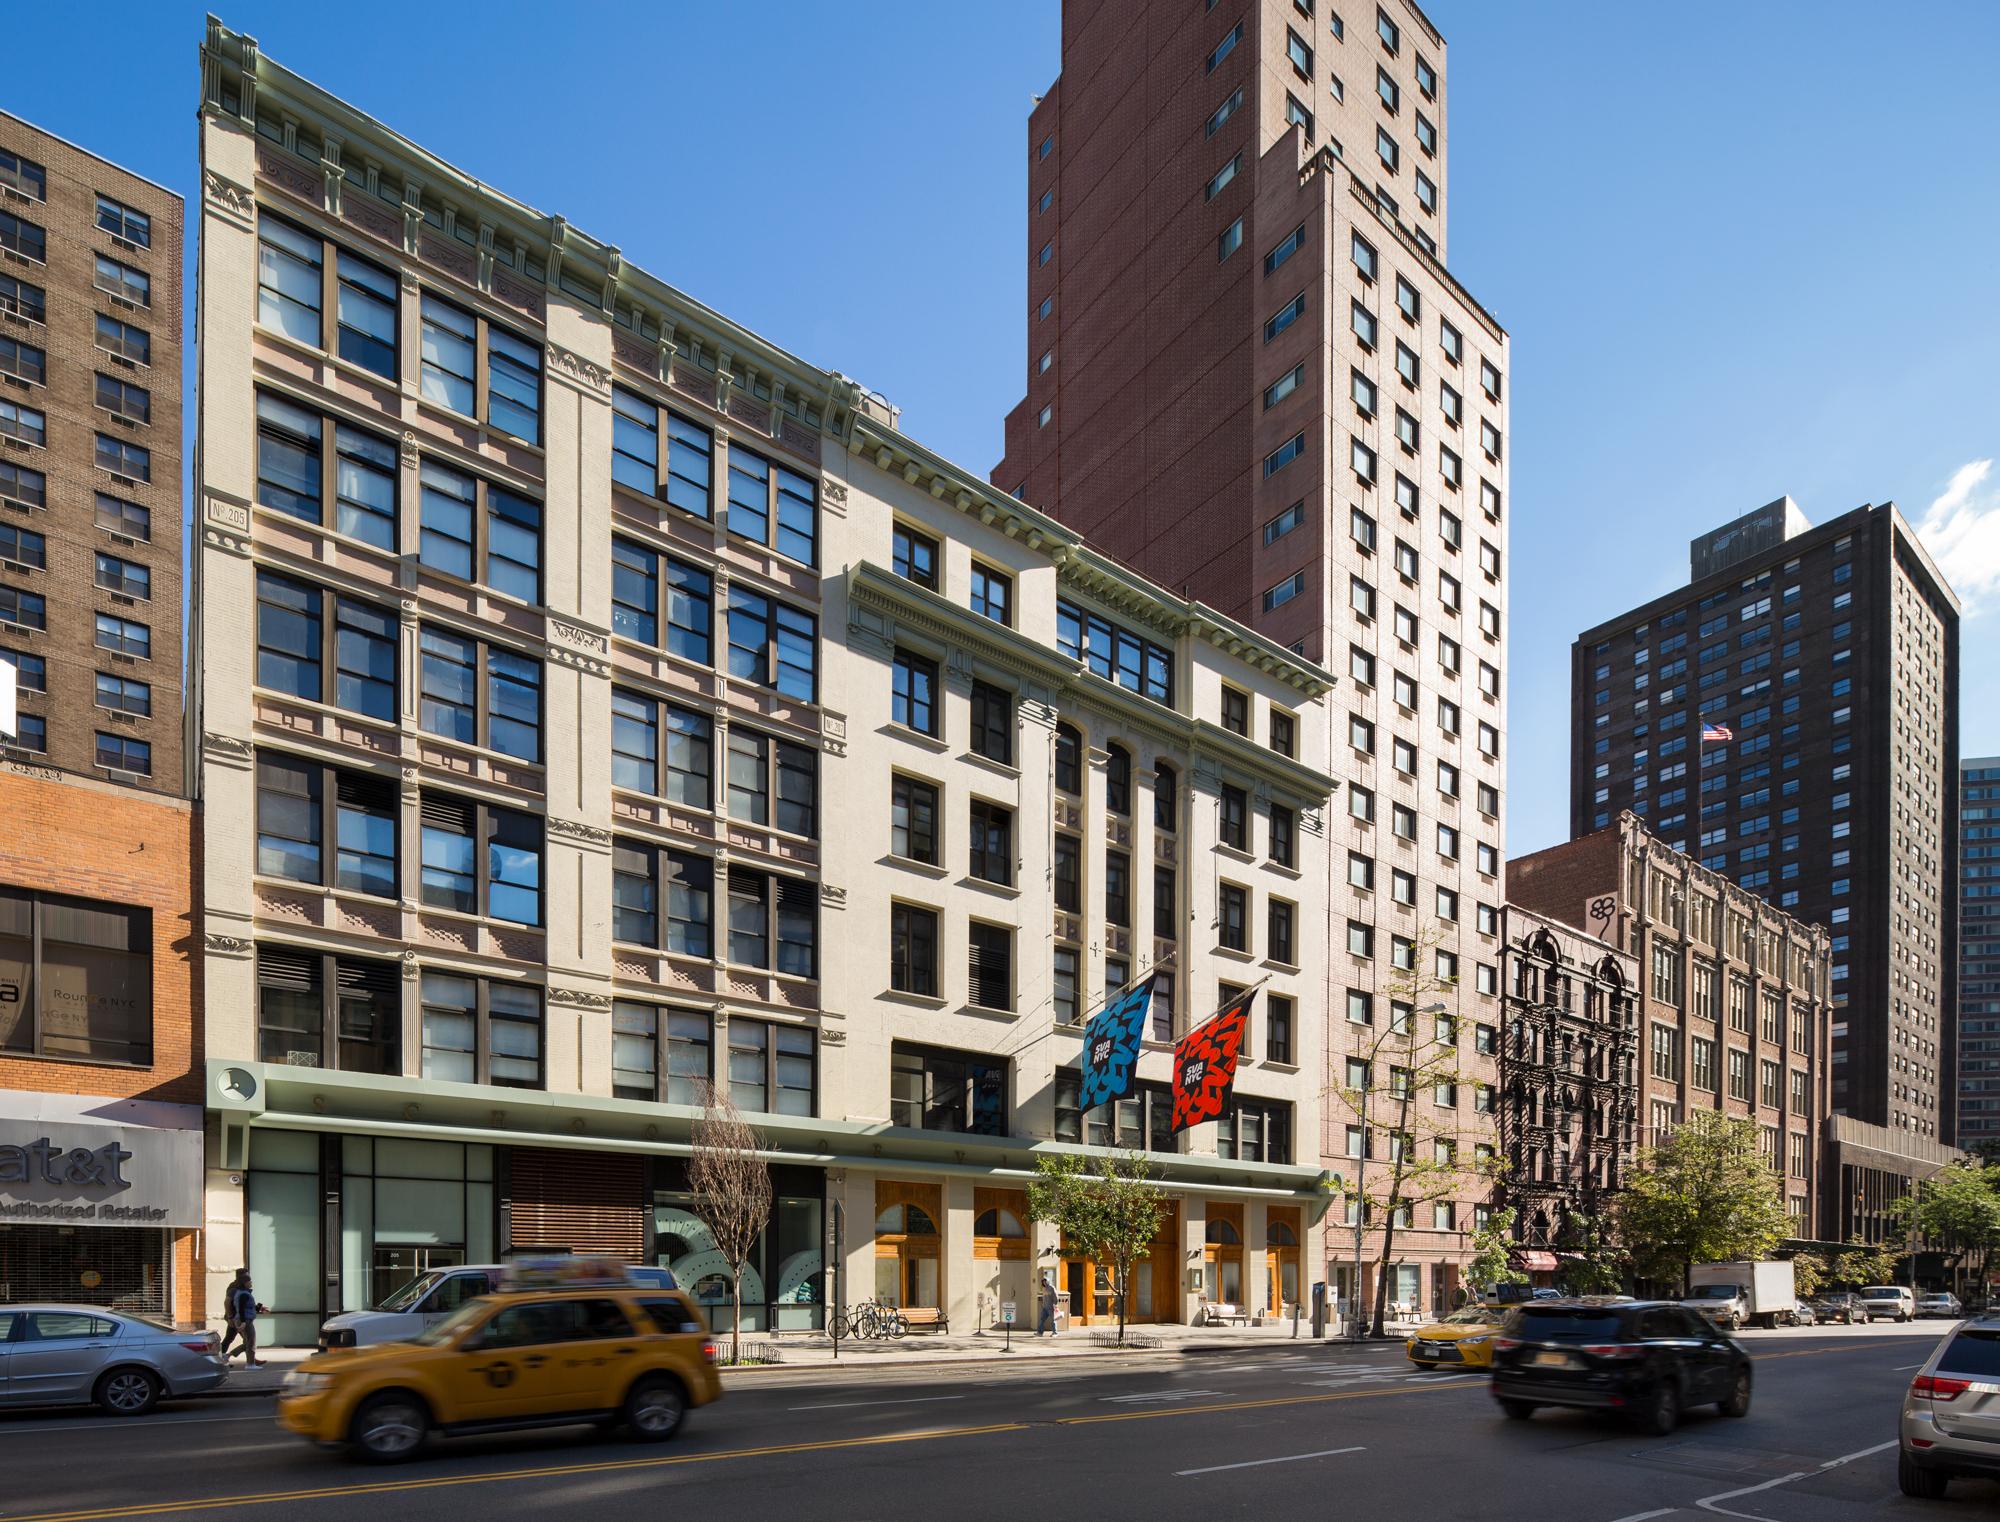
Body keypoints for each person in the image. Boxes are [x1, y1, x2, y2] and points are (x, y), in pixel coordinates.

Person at [217, 1268, 267, 1367]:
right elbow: (227, 1302)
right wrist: (230, 1317)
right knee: (237, 1339)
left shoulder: (243, 1288)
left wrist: (258, 1308)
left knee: (245, 1339)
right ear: (241, 1277)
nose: (249, 1279)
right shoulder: (234, 1287)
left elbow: (246, 1304)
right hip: (237, 1317)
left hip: (238, 1316)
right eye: (247, 1276)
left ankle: (250, 1359)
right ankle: (222, 1358)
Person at [1037, 1271, 1059, 1336]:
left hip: (1051, 1307)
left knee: (1053, 1320)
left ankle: (1055, 1333)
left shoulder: (1052, 1288)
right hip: (1045, 1307)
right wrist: (1043, 1305)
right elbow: (1044, 1297)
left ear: (1048, 1281)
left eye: (1045, 1281)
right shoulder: (1044, 1289)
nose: (1044, 1282)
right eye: (1043, 1281)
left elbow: (1056, 1297)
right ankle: (1040, 1332)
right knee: (1041, 1319)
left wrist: (1055, 1304)